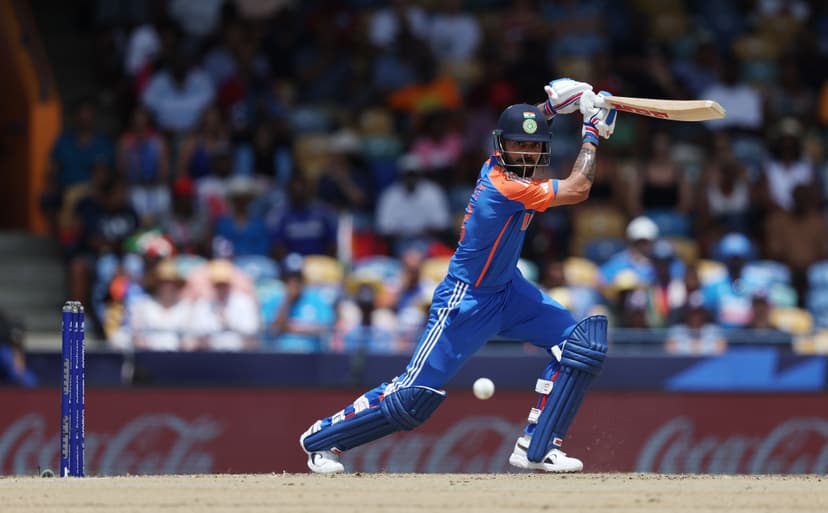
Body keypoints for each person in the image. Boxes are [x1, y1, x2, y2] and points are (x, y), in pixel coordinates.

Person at [299, 78, 616, 474]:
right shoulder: (503, 185)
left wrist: (553, 107)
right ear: (501, 147)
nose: (527, 153)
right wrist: (591, 130)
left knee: (581, 346)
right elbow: (579, 188)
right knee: (412, 399)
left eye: (535, 146)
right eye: (519, 146)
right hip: (465, 300)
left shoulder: (505, 165)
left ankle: (537, 448)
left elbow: (525, 128)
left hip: (508, 291)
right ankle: (322, 439)